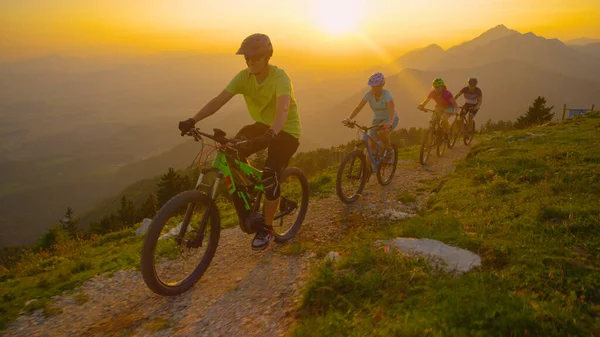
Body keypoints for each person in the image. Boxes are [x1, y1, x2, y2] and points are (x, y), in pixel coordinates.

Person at [178, 33, 301, 251]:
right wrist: (193, 119)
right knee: (231, 150)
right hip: (262, 125)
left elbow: (283, 110)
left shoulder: (280, 78)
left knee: (271, 174)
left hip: (286, 131)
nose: (249, 61)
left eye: (254, 57)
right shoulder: (244, 77)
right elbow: (219, 100)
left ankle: (268, 228)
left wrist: (271, 134)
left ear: (266, 57)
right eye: (247, 58)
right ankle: (253, 189)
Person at [342, 72, 399, 163]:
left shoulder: (387, 94)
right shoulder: (369, 94)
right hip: (377, 120)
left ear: (382, 85)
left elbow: (392, 109)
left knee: (381, 132)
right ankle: (368, 171)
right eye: (372, 86)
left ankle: (389, 150)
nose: (373, 88)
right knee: (371, 145)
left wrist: (390, 123)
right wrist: (349, 119)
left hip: (390, 118)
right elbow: (359, 107)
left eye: (376, 86)